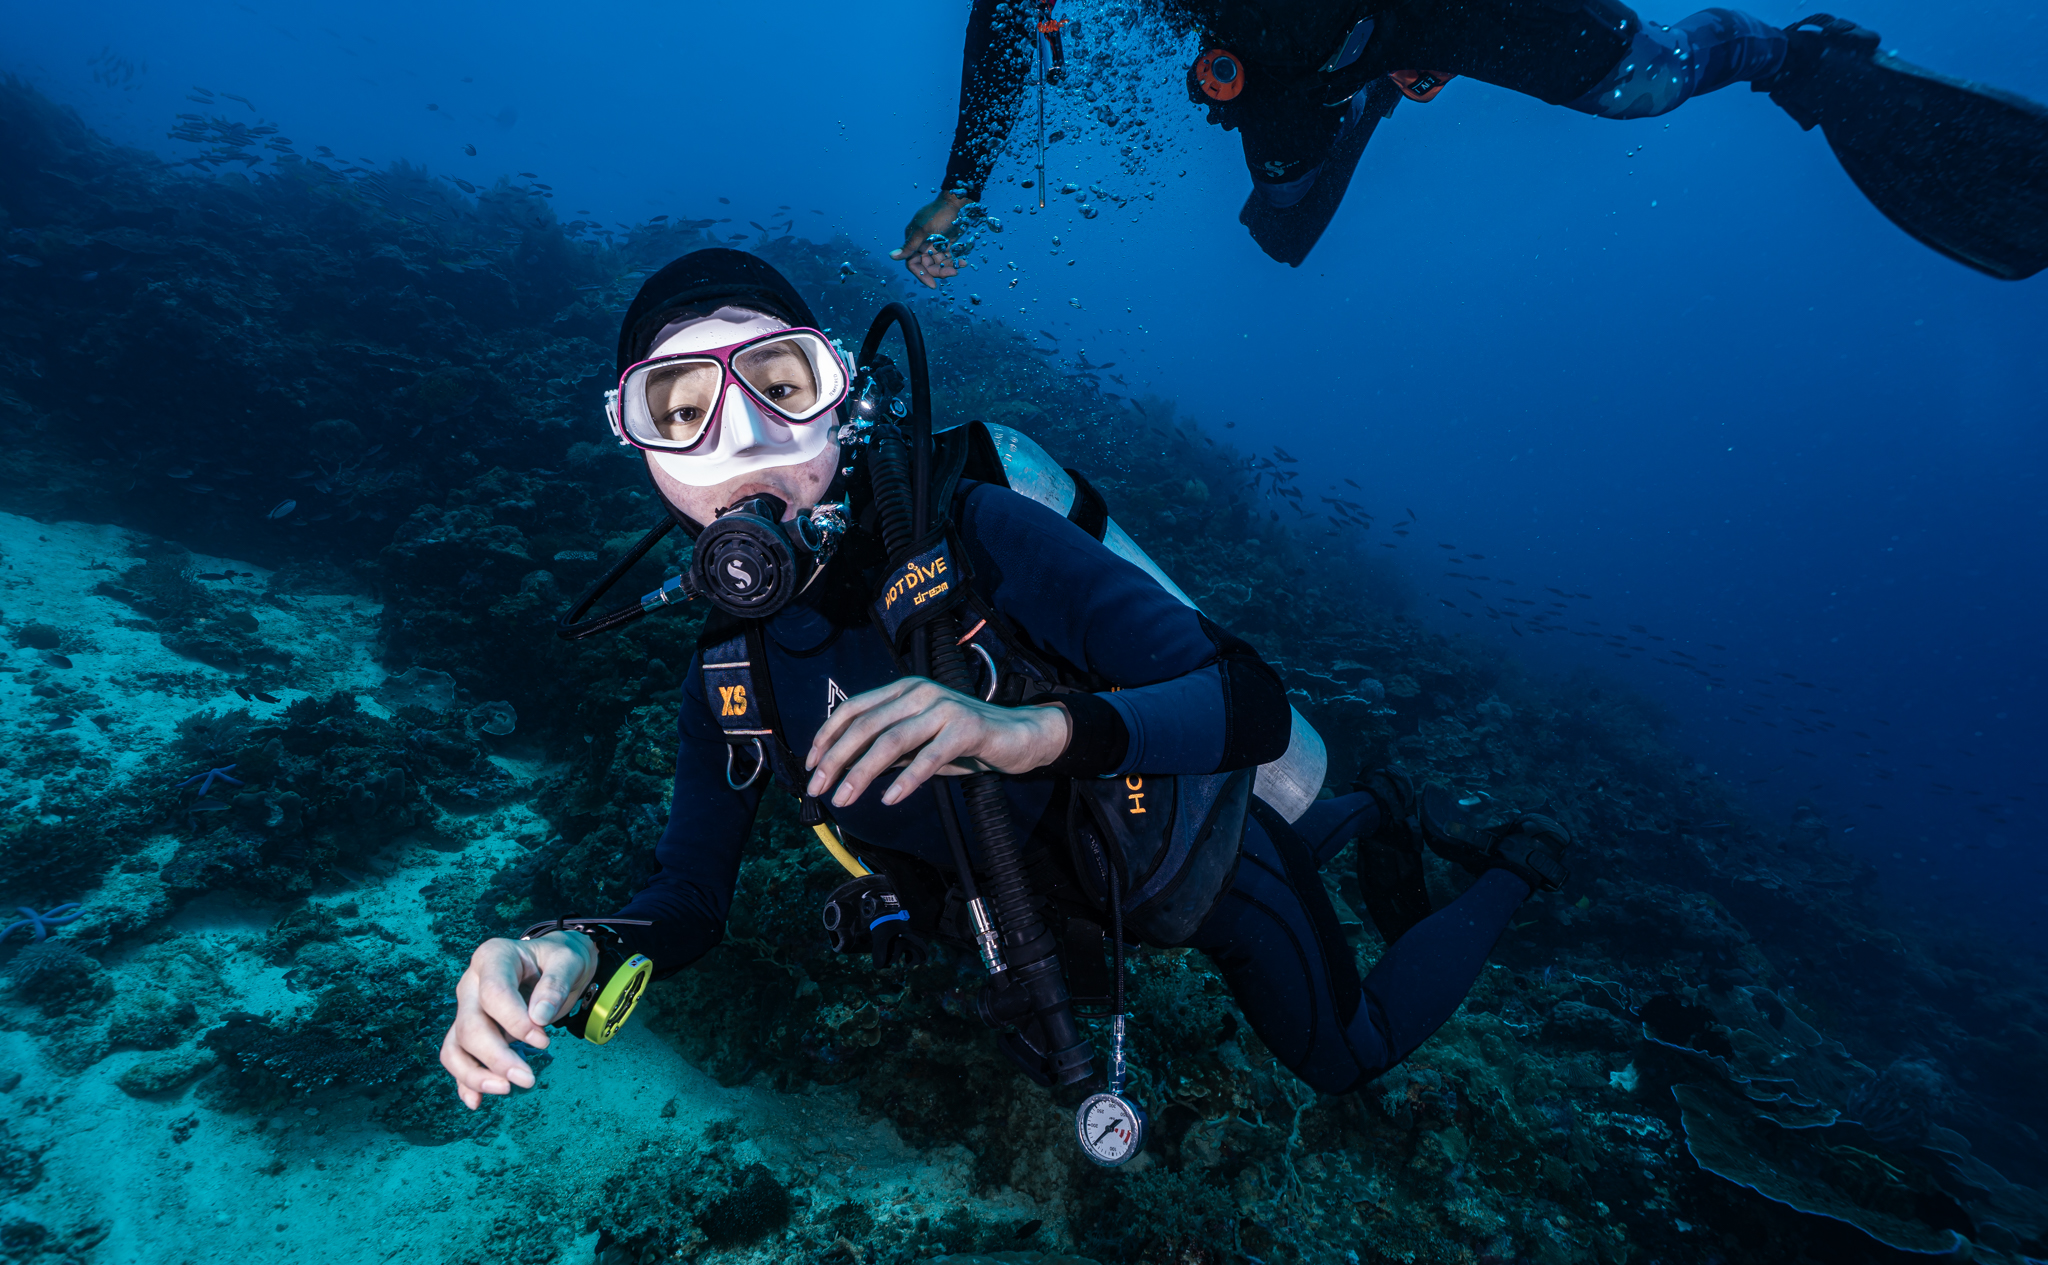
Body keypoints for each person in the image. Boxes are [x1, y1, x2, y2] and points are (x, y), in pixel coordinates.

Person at [437, 249, 1573, 1114]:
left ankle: (1509, 869)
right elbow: (688, 896)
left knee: (1343, 1054)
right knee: (1325, 856)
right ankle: (1376, 810)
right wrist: (576, 946)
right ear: (640, 451)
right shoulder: (726, 676)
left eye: (780, 383)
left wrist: (1025, 732)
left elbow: (1248, 701)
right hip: (1055, 911)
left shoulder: (975, 530)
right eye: (679, 409)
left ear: (844, 399)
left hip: (1191, 856)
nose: (740, 439)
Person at [893, 5, 2048, 277]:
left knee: (1641, 87)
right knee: (1282, 224)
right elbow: (1007, 19)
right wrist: (960, 185)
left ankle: (1790, 58)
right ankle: (1365, 93)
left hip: (1431, 8)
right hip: (1292, 54)